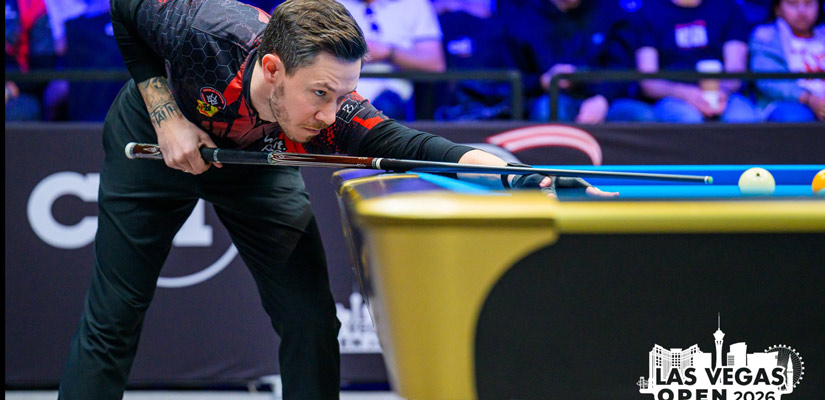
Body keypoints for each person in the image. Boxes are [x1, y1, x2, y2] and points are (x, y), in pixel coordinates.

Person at [56, 0, 617, 399]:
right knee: (114, 316)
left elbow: (422, 147)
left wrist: (524, 179)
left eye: (344, 93)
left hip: (259, 161)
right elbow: (127, 8)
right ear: (272, 69)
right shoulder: (205, 31)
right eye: (320, 93)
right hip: (157, 143)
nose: (331, 114)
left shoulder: (334, 112)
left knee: (311, 320)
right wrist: (165, 114)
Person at [500, 0, 654, 123]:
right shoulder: (522, 15)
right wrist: (542, 81)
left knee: (641, 115)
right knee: (548, 108)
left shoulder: (608, 10)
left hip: (602, 96)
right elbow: (511, 77)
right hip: (549, 96)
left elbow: (621, 66)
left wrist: (602, 98)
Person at [631, 0, 762, 123]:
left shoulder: (727, 7)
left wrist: (720, 93)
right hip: (671, 96)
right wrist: (686, 94)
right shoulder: (649, 10)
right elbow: (648, 81)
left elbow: (735, 68)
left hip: (724, 93)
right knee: (689, 120)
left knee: (743, 118)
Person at [336, 0, 446, 120]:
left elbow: (435, 64)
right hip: (339, 90)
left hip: (392, 95)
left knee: (384, 109)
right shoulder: (330, 4)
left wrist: (389, 53)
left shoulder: (414, 4)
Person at [749, 0, 825, 122]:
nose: (802, 11)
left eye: (808, 4)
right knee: (795, 117)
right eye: (792, 4)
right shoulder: (765, 37)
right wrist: (808, 98)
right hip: (787, 101)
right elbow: (769, 80)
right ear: (778, 9)